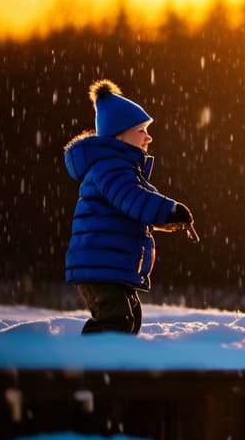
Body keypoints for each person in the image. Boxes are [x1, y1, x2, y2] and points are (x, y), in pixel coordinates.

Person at [64, 79, 196, 335]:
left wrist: (165, 218)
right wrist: (167, 209)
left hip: (109, 264)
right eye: (141, 130)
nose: (148, 137)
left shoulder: (121, 168)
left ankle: (113, 368)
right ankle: (94, 367)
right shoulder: (110, 167)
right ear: (119, 136)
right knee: (115, 321)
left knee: (129, 320)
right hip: (100, 264)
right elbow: (132, 198)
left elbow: (141, 199)